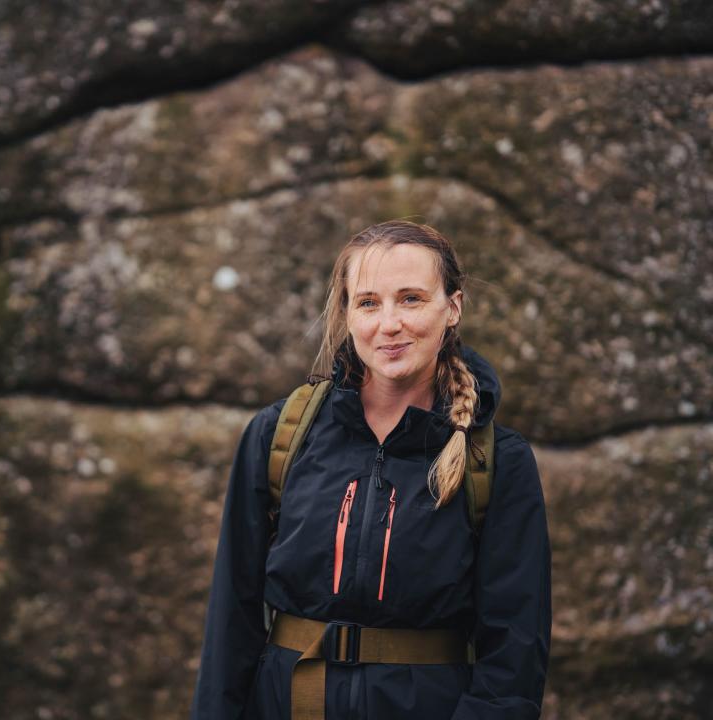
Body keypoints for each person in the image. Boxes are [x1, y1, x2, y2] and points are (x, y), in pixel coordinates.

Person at [189, 220, 551, 720]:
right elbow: (231, 621)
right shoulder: (280, 436)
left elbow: (514, 653)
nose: (389, 323)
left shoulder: (497, 460)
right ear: (346, 313)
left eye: (411, 299)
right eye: (368, 302)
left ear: (453, 308)